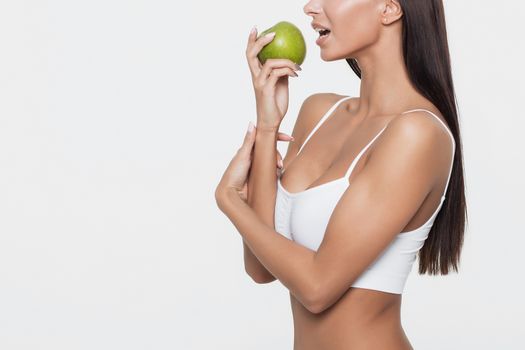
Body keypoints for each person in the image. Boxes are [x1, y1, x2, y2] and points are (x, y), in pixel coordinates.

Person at [215, 0, 467, 348]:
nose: (309, 7)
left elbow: (317, 288)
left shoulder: (418, 134)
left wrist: (229, 200)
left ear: (390, 9)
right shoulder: (319, 112)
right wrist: (269, 126)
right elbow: (261, 269)